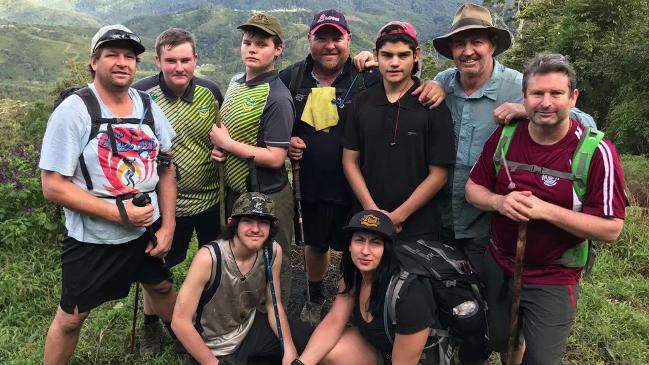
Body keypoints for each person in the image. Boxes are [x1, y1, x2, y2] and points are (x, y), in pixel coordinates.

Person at [353, 3, 596, 275]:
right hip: (441, 219)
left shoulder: (518, 87)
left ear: (492, 45)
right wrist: (370, 61)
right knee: (444, 294)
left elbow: (585, 124)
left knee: (485, 301)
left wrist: (526, 109)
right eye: (460, 44)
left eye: (477, 42)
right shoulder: (443, 83)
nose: (468, 51)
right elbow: (401, 77)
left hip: (489, 224)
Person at [465, 53, 627, 365]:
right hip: (500, 262)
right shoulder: (506, 137)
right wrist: (499, 202)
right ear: (524, 98)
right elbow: (473, 189)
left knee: (542, 358)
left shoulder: (595, 152)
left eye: (556, 93)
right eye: (537, 94)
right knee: (502, 338)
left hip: (555, 273)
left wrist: (544, 210)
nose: (546, 103)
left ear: (573, 97)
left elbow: (611, 228)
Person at [39, 25, 177, 364]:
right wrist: (119, 214)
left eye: (129, 56)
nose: (122, 62)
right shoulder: (75, 111)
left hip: (146, 227)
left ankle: (187, 341)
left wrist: (169, 225)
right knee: (72, 317)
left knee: (160, 287)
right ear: (94, 61)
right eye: (112, 54)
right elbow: (53, 185)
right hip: (94, 238)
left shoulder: (146, 105)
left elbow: (166, 166)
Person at [278, 9, 380, 321]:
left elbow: (404, 91)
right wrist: (287, 144)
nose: (329, 45)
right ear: (309, 39)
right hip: (310, 187)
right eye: (321, 37)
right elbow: (274, 128)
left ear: (348, 39)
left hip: (359, 188)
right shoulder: (291, 78)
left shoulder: (368, 78)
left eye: (336, 37)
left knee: (359, 247)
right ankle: (315, 295)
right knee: (316, 246)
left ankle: (351, 300)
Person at [133, 27, 224, 354]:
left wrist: (222, 151)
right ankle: (151, 325)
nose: (179, 67)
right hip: (165, 205)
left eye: (185, 59)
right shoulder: (141, 95)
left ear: (196, 59)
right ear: (158, 60)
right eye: (170, 60)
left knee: (215, 264)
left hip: (212, 199)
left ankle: (208, 320)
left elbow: (220, 135)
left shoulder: (210, 92)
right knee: (158, 269)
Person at [342, 21, 455, 242]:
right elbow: (349, 161)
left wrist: (396, 217)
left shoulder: (430, 104)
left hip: (417, 225)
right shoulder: (361, 103)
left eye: (403, 55)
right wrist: (372, 210)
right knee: (365, 275)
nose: (394, 63)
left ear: (416, 55)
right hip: (365, 218)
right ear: (376, 55)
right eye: (387, 55)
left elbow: (439, 175)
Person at [209, 13, 295, 303]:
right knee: (241, 257)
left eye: (261, 43)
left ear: (278, 49)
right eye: (247, 42)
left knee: (273, 258)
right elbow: (234, 133)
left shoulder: (277, 96)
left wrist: (228, 144)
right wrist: (222, 148)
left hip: (268, 193)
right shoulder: (236, 81)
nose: (252, 49)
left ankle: (275, 322)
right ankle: (242, 311)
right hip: (239, 190)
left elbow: (274, 157)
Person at [172, 192, 311, 365]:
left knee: (313, 341)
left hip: (249, 328)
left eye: (263, 222)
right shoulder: (209, 257)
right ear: (233, 223)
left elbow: (273, 305)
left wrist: (289, 348)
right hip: (213, 345)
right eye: (247, 221)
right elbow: (180, 322)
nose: (255, 229)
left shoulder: (272, 252)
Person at [293, 209, 434, 365]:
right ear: (350, 246)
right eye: (359, 240)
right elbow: (334, 322)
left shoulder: (409, 295)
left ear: (387, 249)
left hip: (414, 360)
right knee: (329, 354)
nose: (365, 251)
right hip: (380, 348)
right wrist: (301, 363)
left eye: (375, 242)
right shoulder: (354, 275)